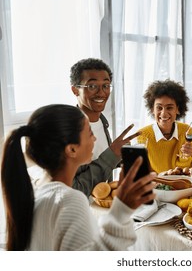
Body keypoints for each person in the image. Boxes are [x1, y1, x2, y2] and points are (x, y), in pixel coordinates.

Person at [1, 104, 156, 250]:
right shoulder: (69, 200)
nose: (94, 139)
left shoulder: (37, 190)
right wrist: (122, 209)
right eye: (89, 133)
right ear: (72, 150)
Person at [70, 58, 139, 196]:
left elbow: (100, 162)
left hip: (103, 207)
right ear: (75, 90)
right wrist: (112, 154)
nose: (101, 93)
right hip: (83, 212)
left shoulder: (102, 122)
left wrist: (120, 157)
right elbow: (74, 189)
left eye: (106, 86)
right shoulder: (69, 130)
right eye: (92, 86)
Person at [137, 80, 192, 173]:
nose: (164, 114)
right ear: (152, 109)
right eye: (159, 108)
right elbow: (143, 172)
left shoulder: (186, 131)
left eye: (169, 107)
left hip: (183, 185)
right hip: (157, 186)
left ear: (177, 109)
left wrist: (185, 157)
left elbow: (190, 170)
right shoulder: (143, 135)